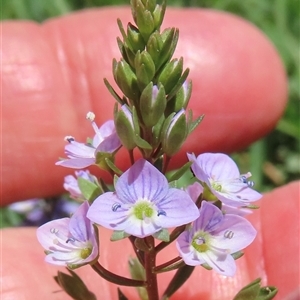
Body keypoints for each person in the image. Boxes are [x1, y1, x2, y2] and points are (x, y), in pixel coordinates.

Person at [1, 6, 299, 300]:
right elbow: (108, 206)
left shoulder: (187, 209)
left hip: (187, 230)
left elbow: (185, 209)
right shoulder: (114, 202)